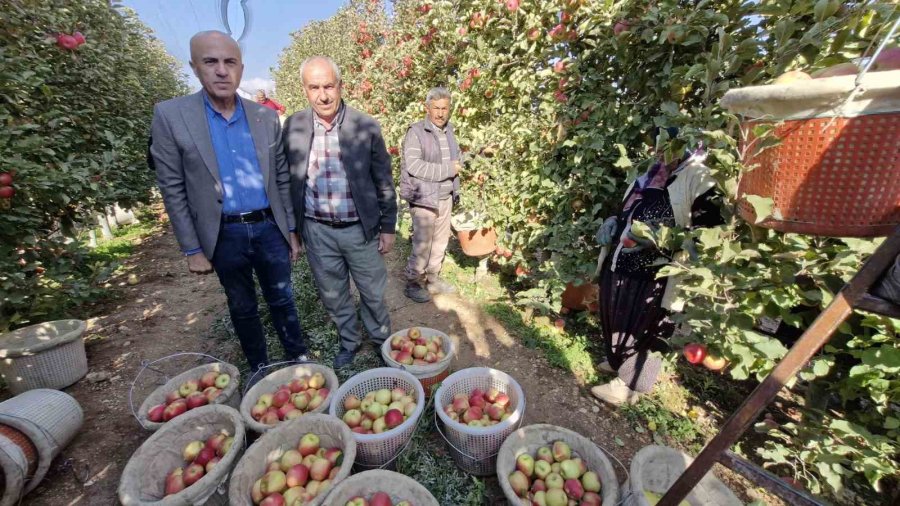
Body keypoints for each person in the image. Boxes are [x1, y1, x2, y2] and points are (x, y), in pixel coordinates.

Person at [149, 31, 308, 376]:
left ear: (241, 68)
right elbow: (172, 187)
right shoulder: (171, 116)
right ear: (195, 67)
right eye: (211, 62)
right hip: (224, 233)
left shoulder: (264, 117)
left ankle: (297, 356)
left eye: (230, 62)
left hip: (269, 227)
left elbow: (281, 177)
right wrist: (192, 248)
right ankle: (259, 367)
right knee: (241, 305)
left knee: (282, 297)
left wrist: (292, 230)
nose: (222, 70)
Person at [590, 134, 722, 406]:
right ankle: (619, 361)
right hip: (622, 264)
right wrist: (613, 220)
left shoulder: (700, 179)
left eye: (670, 146)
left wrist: (663, 240)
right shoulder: (649, 175)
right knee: (619, 315)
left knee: (650, 325)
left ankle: (629, 386)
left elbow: (711, 233)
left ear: (688, 146)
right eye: (659, 146)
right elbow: (628, 210)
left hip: (657, 274)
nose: (661, 152)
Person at [282, 56, 397, 369]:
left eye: (328, 86)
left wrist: (388, 226)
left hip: (359, 228)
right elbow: (287, 179)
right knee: (333, 293)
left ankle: (382, 342)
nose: (323, 95)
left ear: (340, 86)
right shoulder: (294, 126)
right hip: (317, 229)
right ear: (305, 90)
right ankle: (350, 341)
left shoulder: (364, 126)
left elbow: (383, 178)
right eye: (314, 87)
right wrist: (293, 229)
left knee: (372, 292)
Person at [400, 87, 462, 302]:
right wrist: (449, 170)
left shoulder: (449, 130)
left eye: (445, 108)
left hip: (445, 196)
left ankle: (433, 278)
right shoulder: (416, 132)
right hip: (424, 198)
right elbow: (414, 166)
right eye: (436, 108)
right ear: (427, 108)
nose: (440, 113)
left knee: (440, 242)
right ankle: (413, 282)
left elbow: (457, 159)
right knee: (422, 244)